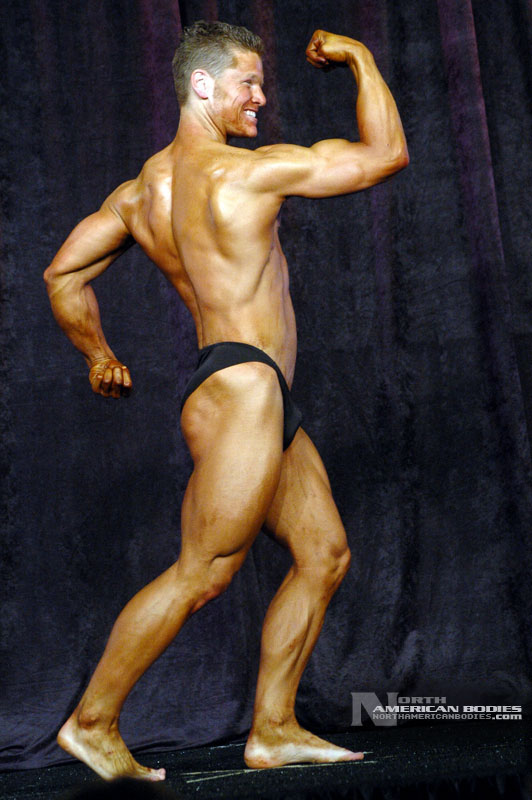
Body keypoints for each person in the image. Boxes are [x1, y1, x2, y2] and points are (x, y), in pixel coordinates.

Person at [44, 21, 408, 782]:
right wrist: (360, 57)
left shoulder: (138, 194)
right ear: (202, 85)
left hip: (249, 388)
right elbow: (385, 155)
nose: (260, 98)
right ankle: (91, 721)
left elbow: (63, 275)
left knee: (323, 554)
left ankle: (273, 728)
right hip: (244, 386)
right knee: (203, 572)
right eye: (249, 82)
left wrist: (98, 354)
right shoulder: (246, 173)